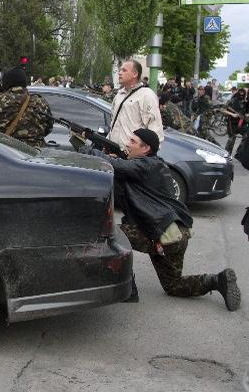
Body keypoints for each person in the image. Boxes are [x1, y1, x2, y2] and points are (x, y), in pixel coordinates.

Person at [74, 128, 241, 311]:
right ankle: (218, 280)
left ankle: (129, 290)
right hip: (175, 232)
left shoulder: (148, 165)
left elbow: (117, 166)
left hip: (161, 232)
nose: (128, 143)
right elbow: (121, 174)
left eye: (133, 141)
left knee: (113, 237)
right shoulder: (151, 166)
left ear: (146, 149)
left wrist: (88, 150)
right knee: (174, 285)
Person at [0, 66, 53, 148]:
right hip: (35, 155)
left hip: (7, 154)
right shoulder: (40, 103)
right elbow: (48, 128)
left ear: (6, 83)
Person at [108, 60, 164, 153]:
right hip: (112, 153)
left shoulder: (146, 95)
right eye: (120, 70)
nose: (120, 73)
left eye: (124, 70)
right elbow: (113, 123)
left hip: (131, 157)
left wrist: (144, 158)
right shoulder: (119, 94)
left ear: (135, 74)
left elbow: (155, 132)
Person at [224, 87, 247, 155]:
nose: (242, 95)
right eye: (240, 93)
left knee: (246, 136)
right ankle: (227, 155)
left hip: (241, 123)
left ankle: (239, 150)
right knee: (231, 139)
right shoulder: (232, 101)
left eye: (243, 94)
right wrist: (232, 114)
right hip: (232, 123)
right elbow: (223, 110)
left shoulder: (244, 102)